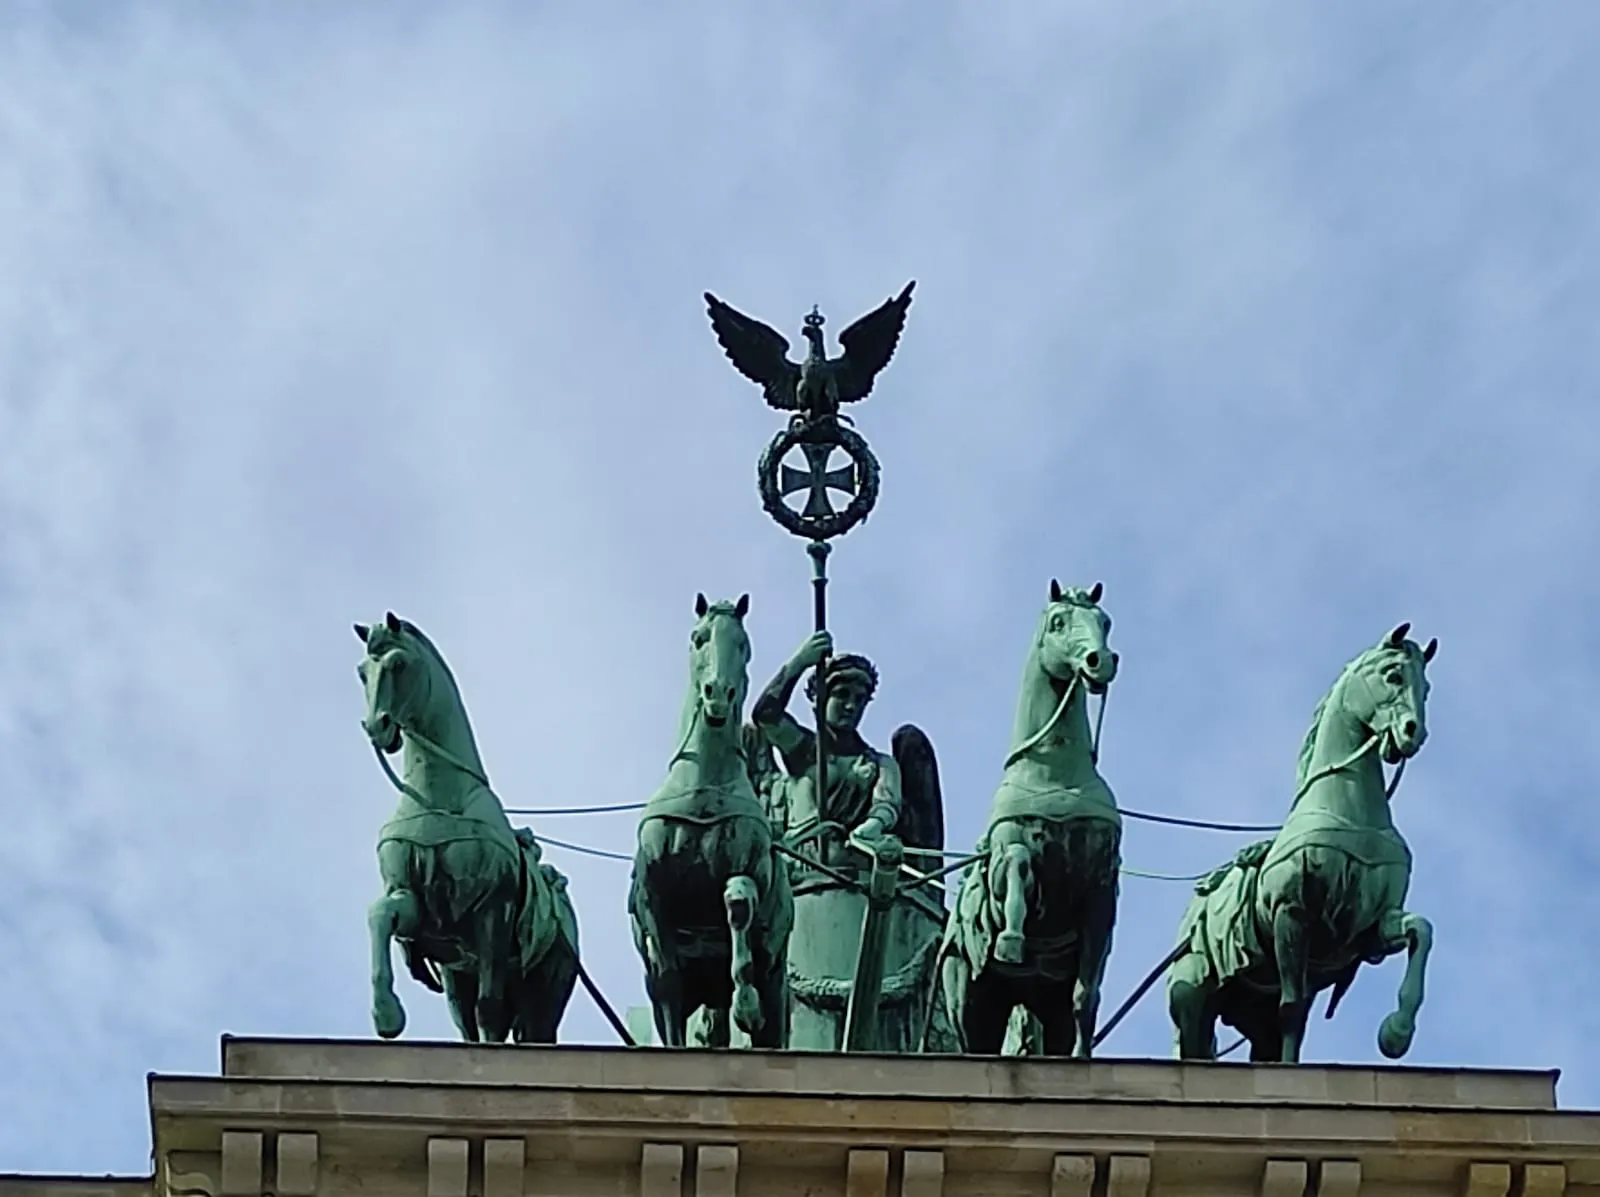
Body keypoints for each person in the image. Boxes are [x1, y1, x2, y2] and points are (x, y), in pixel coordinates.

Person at [751, 630, 901, 862]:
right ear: (818, 698)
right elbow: (765, 715)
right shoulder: (803, 749)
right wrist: (800, 661)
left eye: (860, 699)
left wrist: (873, 825)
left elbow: (886, 805)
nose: (851, 706)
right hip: (798, 864)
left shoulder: (880, 764)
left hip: (852, 865)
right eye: (842, 695)